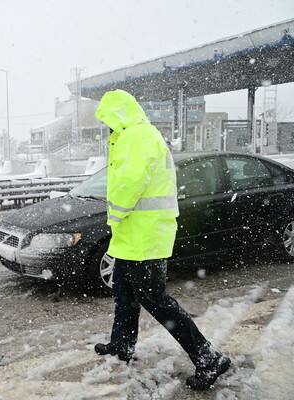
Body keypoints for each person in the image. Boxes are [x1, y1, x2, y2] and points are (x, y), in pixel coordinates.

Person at [93, 90, 231, 390]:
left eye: (108, 119)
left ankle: (209, 358)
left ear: (119, 114)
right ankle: (122, 347)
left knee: (157, 301)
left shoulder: (136, 136)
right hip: (134, 237)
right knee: (125, 296)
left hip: (144, 236)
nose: (107, 126)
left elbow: (130, 182)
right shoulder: (137, 135)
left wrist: (114, 215)